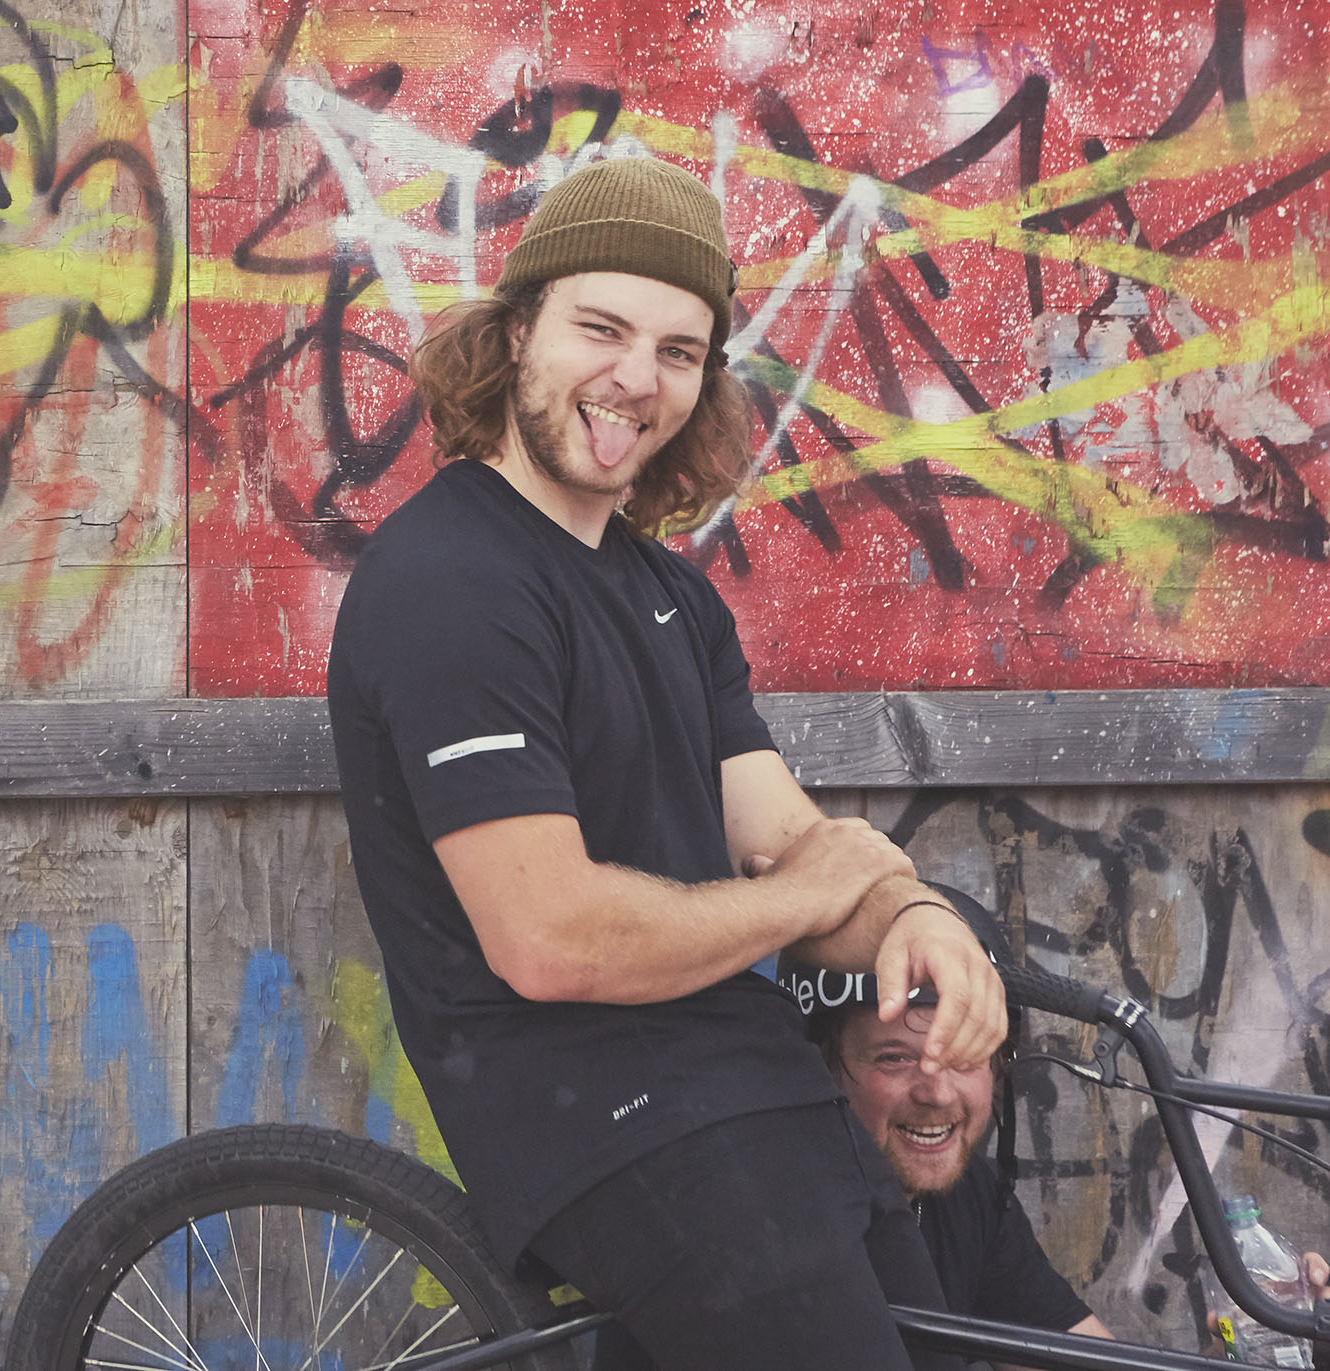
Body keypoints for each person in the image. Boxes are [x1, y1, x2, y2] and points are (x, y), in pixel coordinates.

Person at [326, 152, 1006, 1371]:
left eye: (679, 351)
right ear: (518, 331)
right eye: (602, 328)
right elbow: (551, 937)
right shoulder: (452, 583)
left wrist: (915, 917)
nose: (637, 378)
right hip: (605, 1125)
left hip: (758, 1089)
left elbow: (788, 839)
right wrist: (815, 892)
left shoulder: (672, 599)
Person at [780, 891, 1329, 1368]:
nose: (938, 1093)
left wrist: (1243, 1352)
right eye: (895, 1059)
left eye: (965, 1053)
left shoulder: (968, 1194)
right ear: (819, 1067)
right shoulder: (779, 1220)